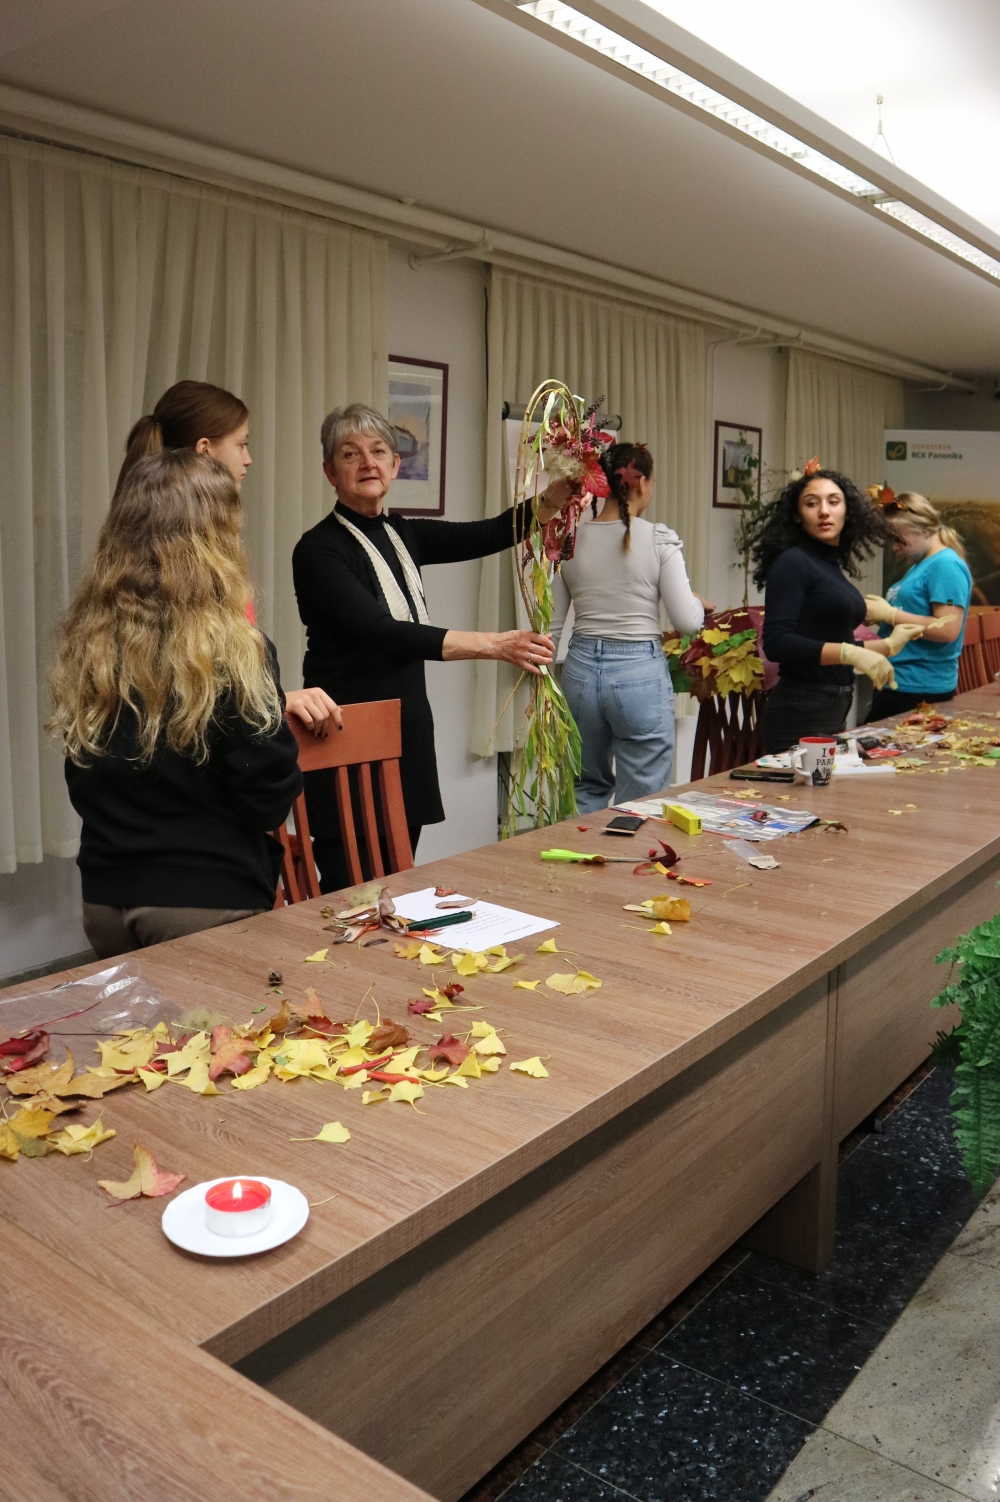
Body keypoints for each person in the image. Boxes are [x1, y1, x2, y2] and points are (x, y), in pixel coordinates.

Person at [292, 402, 577, 891]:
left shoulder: (402, 532)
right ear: (329, 471)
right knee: (352, 889)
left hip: (406, 729)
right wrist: (493, 644)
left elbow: (488, 533)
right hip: (346, 733)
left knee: (400, 881)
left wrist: (552, 498)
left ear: (396, 465)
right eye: (350, 453)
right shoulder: (318, 549)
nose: (368, 463)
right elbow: (381, 629)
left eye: (379, 451)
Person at [48, 449, 302, 959]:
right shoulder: (233, 646)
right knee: (218, 1040)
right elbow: (267, 796)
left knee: (138, 1039)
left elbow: (84, 774)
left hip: (105, 899)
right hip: (203, 902)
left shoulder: (91, 640)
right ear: (215, 539)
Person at [117, 379, 341, 738]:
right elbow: (206, 683)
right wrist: (272, 702)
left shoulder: (133, 534)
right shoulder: (192, 553)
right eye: (242, 445)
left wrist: (275, 699)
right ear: (205, 450)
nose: (248, 459)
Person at [550, 442, 709, 810]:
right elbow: (686, 621)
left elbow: (553, 629)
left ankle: (580, 862)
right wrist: (698, 603)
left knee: (584, 788)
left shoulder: (570, 540)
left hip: (580, 675)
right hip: (638, 673)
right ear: (643, 484)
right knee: (642, 798)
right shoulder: (658, 539)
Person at [753, 465, 923, 754]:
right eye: (811, 503)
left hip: (831, 705)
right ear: (796, 515)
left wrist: (887, 646)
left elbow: (821, 637)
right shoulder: (793, 562)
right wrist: (849, 653)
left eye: (833, 501)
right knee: (799, 799)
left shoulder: (827, 563)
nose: (824, 511)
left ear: (848, 511)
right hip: (800, 708)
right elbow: (778, 643)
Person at [862, 491, 972, 721]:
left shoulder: (945, 565)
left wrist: (891, 614)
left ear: (926, 530)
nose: (894, 547)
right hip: (902, 683)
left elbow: (947, 629)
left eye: (899, 539)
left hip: (917, 687)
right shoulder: (922, 564)